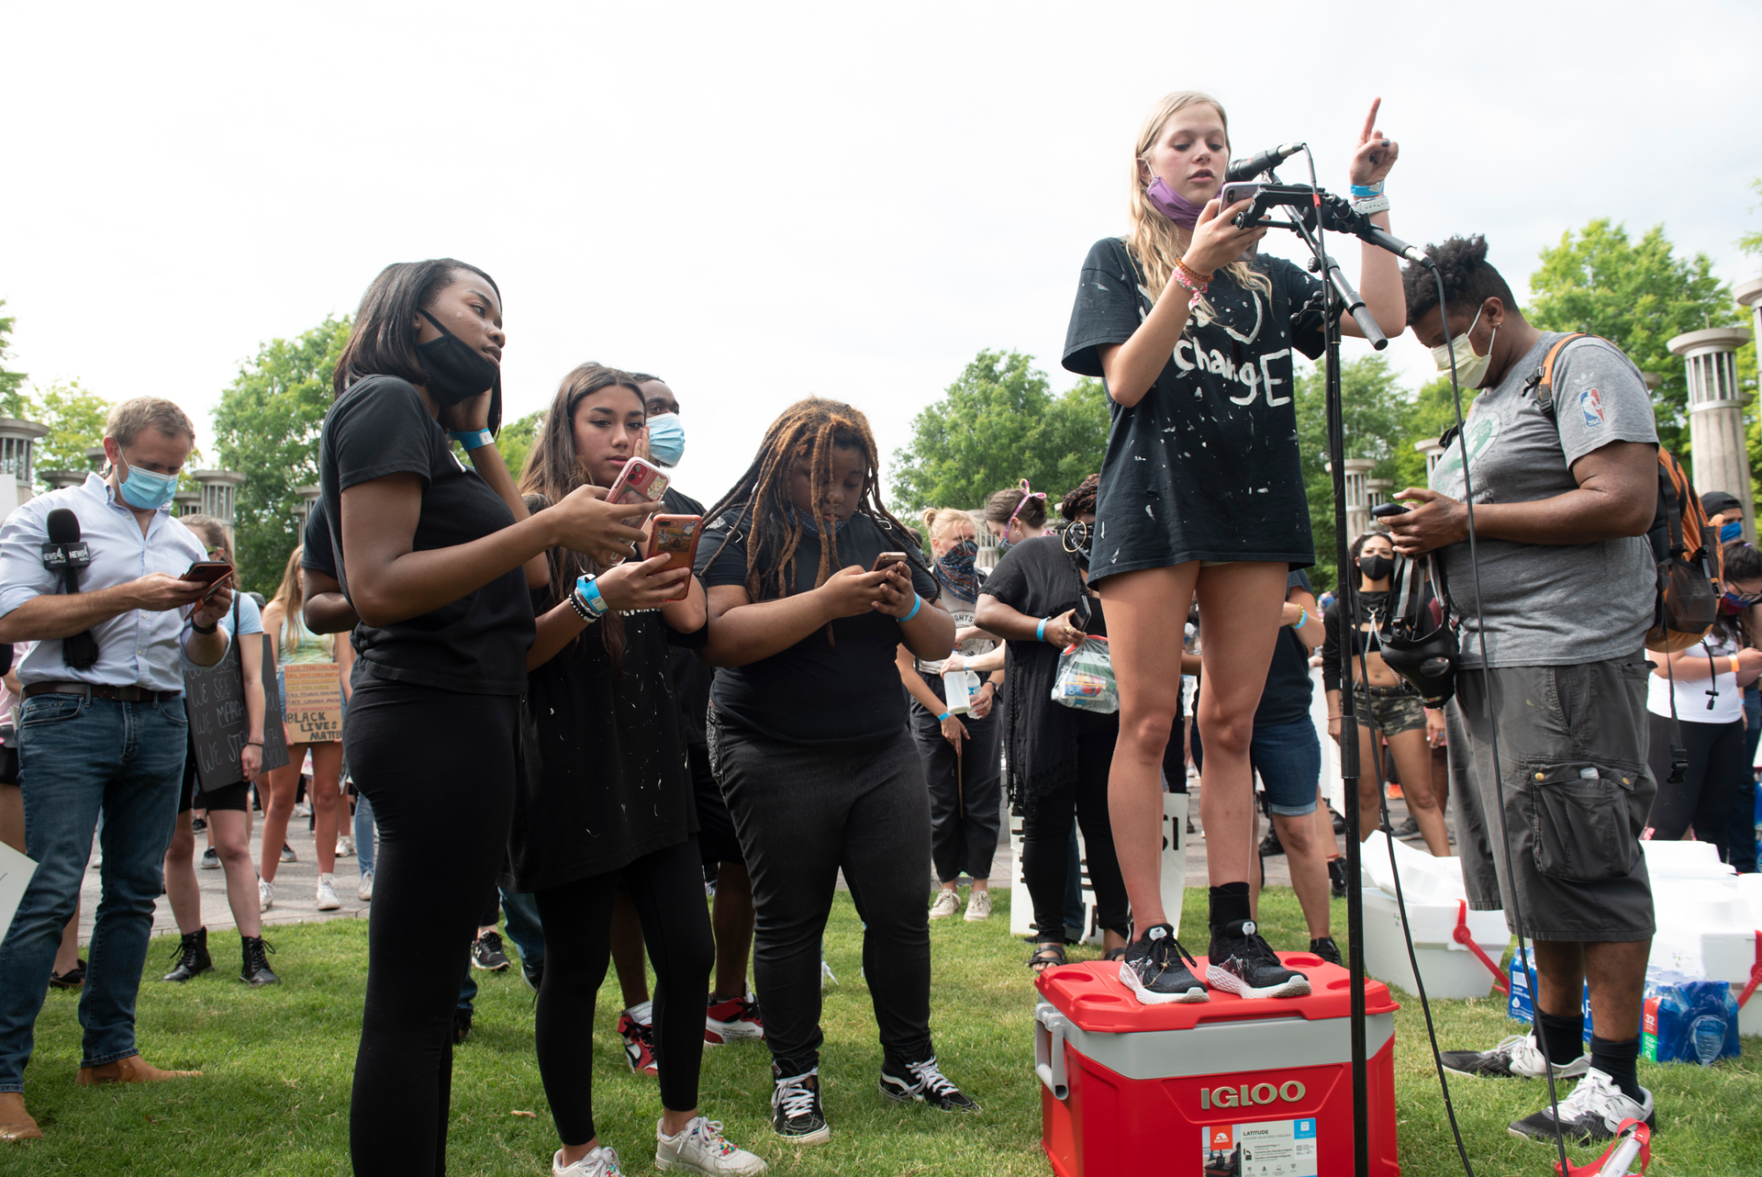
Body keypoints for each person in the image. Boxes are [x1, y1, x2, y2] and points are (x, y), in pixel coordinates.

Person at [1060, 90, 1405, 1002]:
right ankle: (1147, 933)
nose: (1207, 154)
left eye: (1219, 141)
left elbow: (1382, 322)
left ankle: (1237, 929)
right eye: (1186, 141)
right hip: (1153, 514)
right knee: (1144, 723)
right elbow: (1127, 380)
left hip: (1254, 518)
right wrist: (1192, 272)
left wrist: (1368, 203)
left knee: (1231, 724)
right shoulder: (1118, 260)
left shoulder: (1274, 275)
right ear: (1149, 166)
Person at [321, 258, 655, 1175]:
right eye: (477, 307)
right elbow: (377, 586)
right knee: (409, 1004)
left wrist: (480, 439)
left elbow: (539, 580)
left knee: (425, 1002)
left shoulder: (434, 430)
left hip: (468, 719)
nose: (497, 328)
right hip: (430, 717)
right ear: (409, 313)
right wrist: (548, 525)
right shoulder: (384, 401)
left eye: (502, 314)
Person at [1389, 234, 1662, 1145]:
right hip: (1493, 663)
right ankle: (1554, 1045)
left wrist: (1466, 517)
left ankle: (1619, 1080)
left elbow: (1625, 498)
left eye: (1449, 335)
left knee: (1592, 853)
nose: (1445, 356)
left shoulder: (1578, 365)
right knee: (1538, 863)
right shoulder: (1494, 400)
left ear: (1492, 312)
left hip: (1571, 657)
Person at [697, 397, 976, 1145]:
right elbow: (721, 635)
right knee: (791, 918)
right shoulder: (738, 532)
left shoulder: (883, 534)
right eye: (818, 476)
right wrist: (824, 598)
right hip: (770, 747)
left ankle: (908, 1059)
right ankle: (795, 1075)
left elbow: (940, 634)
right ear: (780, 466)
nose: (836, 494)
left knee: (899, 911)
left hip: (879, 748)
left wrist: (906, 600)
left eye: (852, 480)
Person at [513, 363, 763, 1177]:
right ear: (565, 426)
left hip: (654, 759)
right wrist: (598, 594)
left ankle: (679, 1127)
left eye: (634, 423)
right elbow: (517, 654)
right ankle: (578, 1151)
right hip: (568, 765)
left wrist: (663, 552)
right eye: (603, 421)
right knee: (577, 967)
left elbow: (691, 621)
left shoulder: (657, 511)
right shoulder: (532, 523)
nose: (624, 436)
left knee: (688, 953)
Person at [0, 397, 235, 1143]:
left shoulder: (176, 539)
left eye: (174, 468)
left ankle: (109, 1050)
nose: (163, 480)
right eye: (152, 465)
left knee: (134, 889)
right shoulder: (49, 517)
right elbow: (10, 620)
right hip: (68, 709)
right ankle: (4, 1078)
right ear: (113, 449)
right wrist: (127, 596)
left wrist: (205, 620)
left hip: (162, 713)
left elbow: (206, 658)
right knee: (51, 886)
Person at [607, 372, 765, 1069]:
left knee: (738, 854)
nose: (658, 426)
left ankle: (726, 998)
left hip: (702, 716)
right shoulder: (577, 511)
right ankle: (640, 1009)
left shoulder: (698, 513)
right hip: (627, 724)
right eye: (647, 413)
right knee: (628, 867)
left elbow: (701, 618)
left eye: (666, 412)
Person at [975, 476, 1131, 971]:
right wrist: (1044, 629)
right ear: (1073, 523)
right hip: (1046, 721)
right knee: (1045, 826)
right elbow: (987, 610)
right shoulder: (1034, 558)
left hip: (1112, 721)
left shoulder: (1130, 562)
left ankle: (1117, 935)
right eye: (1090, 525)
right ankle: (1050, 935)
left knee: (1107, 828)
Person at [160, 515, 278, 986]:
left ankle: (254, 952)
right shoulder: (160, 597)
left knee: (232, 844)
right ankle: (194, 949)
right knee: (175, 845)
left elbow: (255, 676)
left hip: (222, 729)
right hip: (167, 726)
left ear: (219, 557)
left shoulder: (242, 606)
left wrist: (255, 739)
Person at [1201, 561, 1339, 960]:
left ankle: (1322, 941)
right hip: (1223, 717)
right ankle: (1243, 939)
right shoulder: (1200, 565)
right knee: (1238, 837)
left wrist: (1291, 613)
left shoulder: (1285, 569)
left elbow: (1317, 636)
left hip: (1285, 716)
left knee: (1298, 829)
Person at [900, 506, 1004, 921]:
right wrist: (944, 715)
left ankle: (979, 888)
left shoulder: (988, 587)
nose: (967, 546)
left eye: (972, 538)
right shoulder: (922, 590)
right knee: (939, 799)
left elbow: (1006, 646)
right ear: (937, 543)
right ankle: (947, 888)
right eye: (958, 539)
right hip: (932, 700)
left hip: (980, 694)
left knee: (982, 793)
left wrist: (993, 686)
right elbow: (903, 669)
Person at [1321, 532, 1451, 856]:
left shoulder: (1409, 604)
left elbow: (1428, 660)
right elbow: (1332, 665)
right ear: (1356, 558)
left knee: (1422, 795)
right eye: (1370, 550)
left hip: (1404, 702)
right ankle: (1369, 878)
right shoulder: (1342, 608)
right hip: (1360, 701)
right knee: (1366, 797)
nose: (1376, 556)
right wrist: (1335, 714)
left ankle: (1449, 875)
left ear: (1394, 560)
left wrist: (1435, 710)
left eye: (1384, 551)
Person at [1644, 538, 1762, 855]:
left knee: (1715, 819)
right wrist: (1735, 662)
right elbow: (1666, 666)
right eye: (1741, 593)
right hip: (1680, 722)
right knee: (1669, 818)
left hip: (1727, 722)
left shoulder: (1738, 616)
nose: (1745, 600)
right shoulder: (1684, 599)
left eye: (1755, 595)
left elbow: (1744, 674)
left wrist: (1753, 613)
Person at [257, 547, 350, 913]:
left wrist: (351, 710)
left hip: (327, 706)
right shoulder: (276, 612)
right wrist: (274, 720)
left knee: (327, 795)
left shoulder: (335, 612)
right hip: (287, 706)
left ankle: (326, 882)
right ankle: (265, 882)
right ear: (294, 572)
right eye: (302, 568)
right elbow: (265, 670)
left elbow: (344, 666)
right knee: (280, 798)